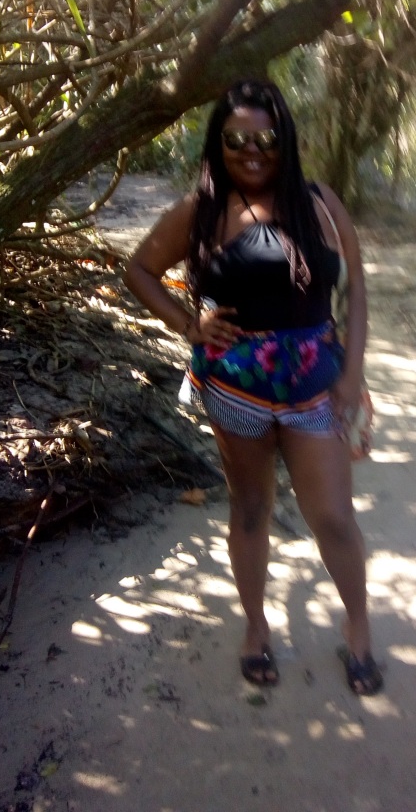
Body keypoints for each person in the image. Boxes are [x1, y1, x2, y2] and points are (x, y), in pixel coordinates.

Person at [123, 78, 382, 696]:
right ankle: (256, 628)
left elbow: (355, 287)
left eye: (264, 139)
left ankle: (358, 627)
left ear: (284, 140)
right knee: (250, 509)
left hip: (315, 385)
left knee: (333, 517)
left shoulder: (320, 203)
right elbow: (139, 269)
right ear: (218, 143)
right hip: (235, 387)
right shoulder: (203, 208)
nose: (251, 151)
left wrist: (352, 374)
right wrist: (189, 323)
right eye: (235, 139)